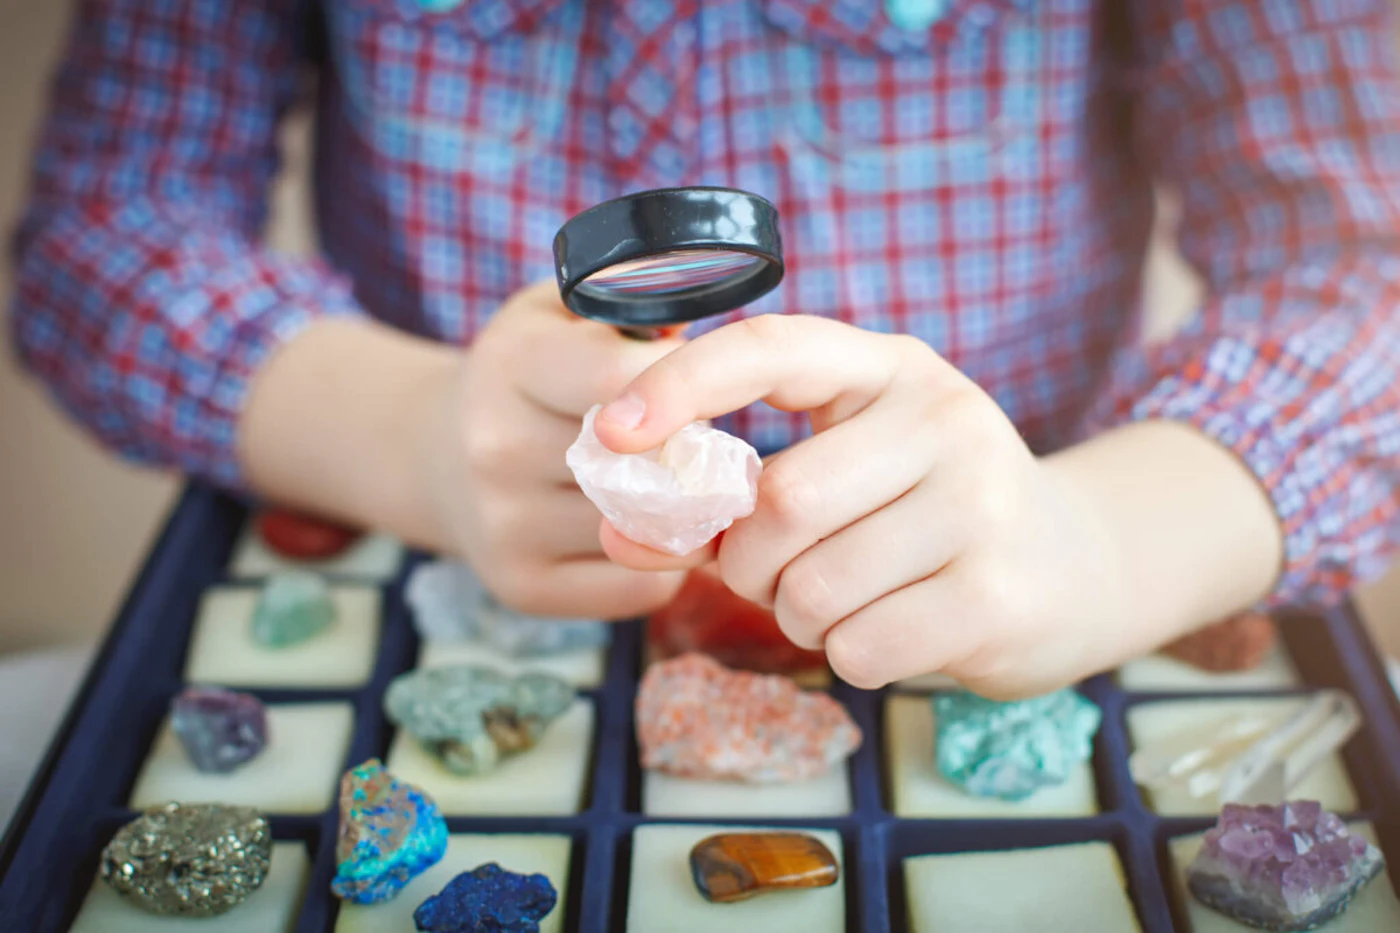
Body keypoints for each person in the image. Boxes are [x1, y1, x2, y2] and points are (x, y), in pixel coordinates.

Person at [11, 0, 1400, 698]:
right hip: (457, 594)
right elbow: (104, 227)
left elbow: (1366, 268)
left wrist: (1097, 538)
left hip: (1015, 600)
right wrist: (410, 436)